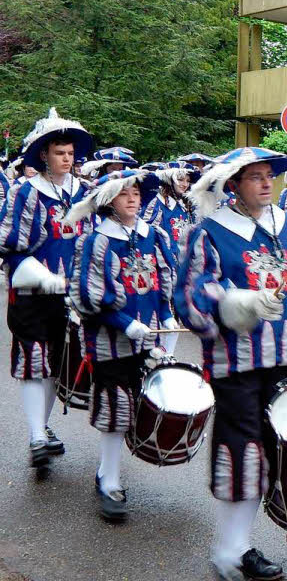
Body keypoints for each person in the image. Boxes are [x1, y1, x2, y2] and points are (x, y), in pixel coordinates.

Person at [174, 146, 287, 581]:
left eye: (270, 175)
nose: (267, 183)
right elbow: (190, 297)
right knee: (242, 449)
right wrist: (237, 302)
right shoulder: (209, 232)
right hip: (236, 363)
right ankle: (232, 550)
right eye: (255, 177)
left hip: (285, 359)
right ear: (233, 185)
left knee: (272, 449)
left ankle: (240, 543)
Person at [66, 170, 177, 522]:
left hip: (146, 339)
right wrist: (126, 323)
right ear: (109, 200)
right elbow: (86, 294)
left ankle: (110, 469)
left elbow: (163, 279)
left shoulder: (153, 235)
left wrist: (165, 314)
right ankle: (108, 479)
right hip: (108, 341)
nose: (132, 199)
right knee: (115, 410)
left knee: (139, 403)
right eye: (123, 194)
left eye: (136, 193)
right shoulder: (95, 241)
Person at [0, 108, 93, 471]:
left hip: (71, 297)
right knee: (32, 363)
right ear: (44, 155)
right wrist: (43, 276)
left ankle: (42, 427)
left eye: (70, 153)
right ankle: (37, 435)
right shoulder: (26, 192)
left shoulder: (86, 193)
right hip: (32, 293)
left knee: (58, 363)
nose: (66, 159)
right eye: (59, 153)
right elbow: (9, 243)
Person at [141, 164, 200, 352]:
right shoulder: (156, 203)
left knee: (178, 315)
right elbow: (147, 233)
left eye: (187, 180)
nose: (185, 184)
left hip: (183, 266)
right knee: (165, 313)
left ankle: (170, 356)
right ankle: (160, 355)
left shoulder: (185, 204)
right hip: (164, 267)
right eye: (181, 180)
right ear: (169, 179)